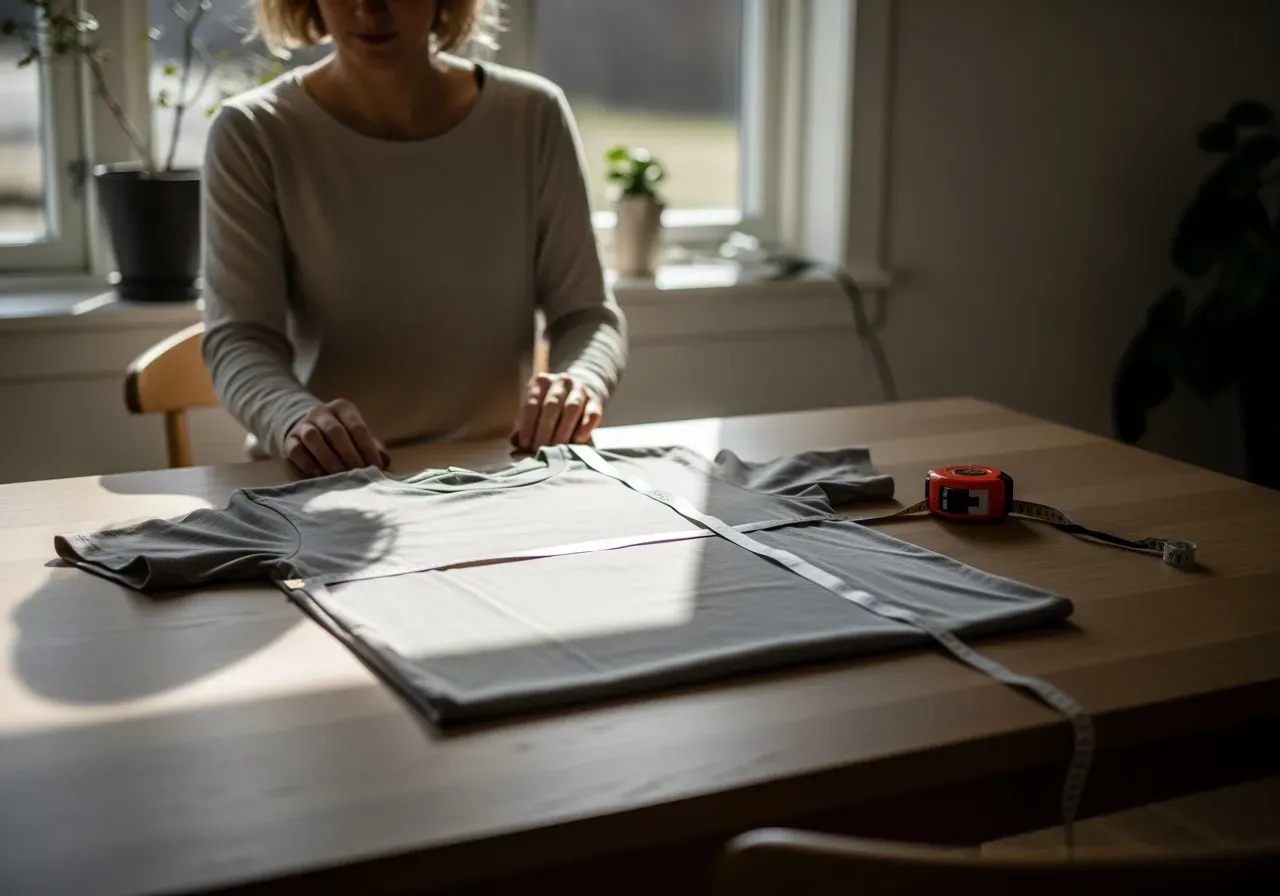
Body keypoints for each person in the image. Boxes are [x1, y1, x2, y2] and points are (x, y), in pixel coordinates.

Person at [200, 0, 627, 478]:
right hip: (330, 484)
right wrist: (292, 416)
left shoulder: (532, 115)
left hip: (496, 470)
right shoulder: (253, 132)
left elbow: (586, 315)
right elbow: (239, 337)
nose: (369, 7)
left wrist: (579, 382)